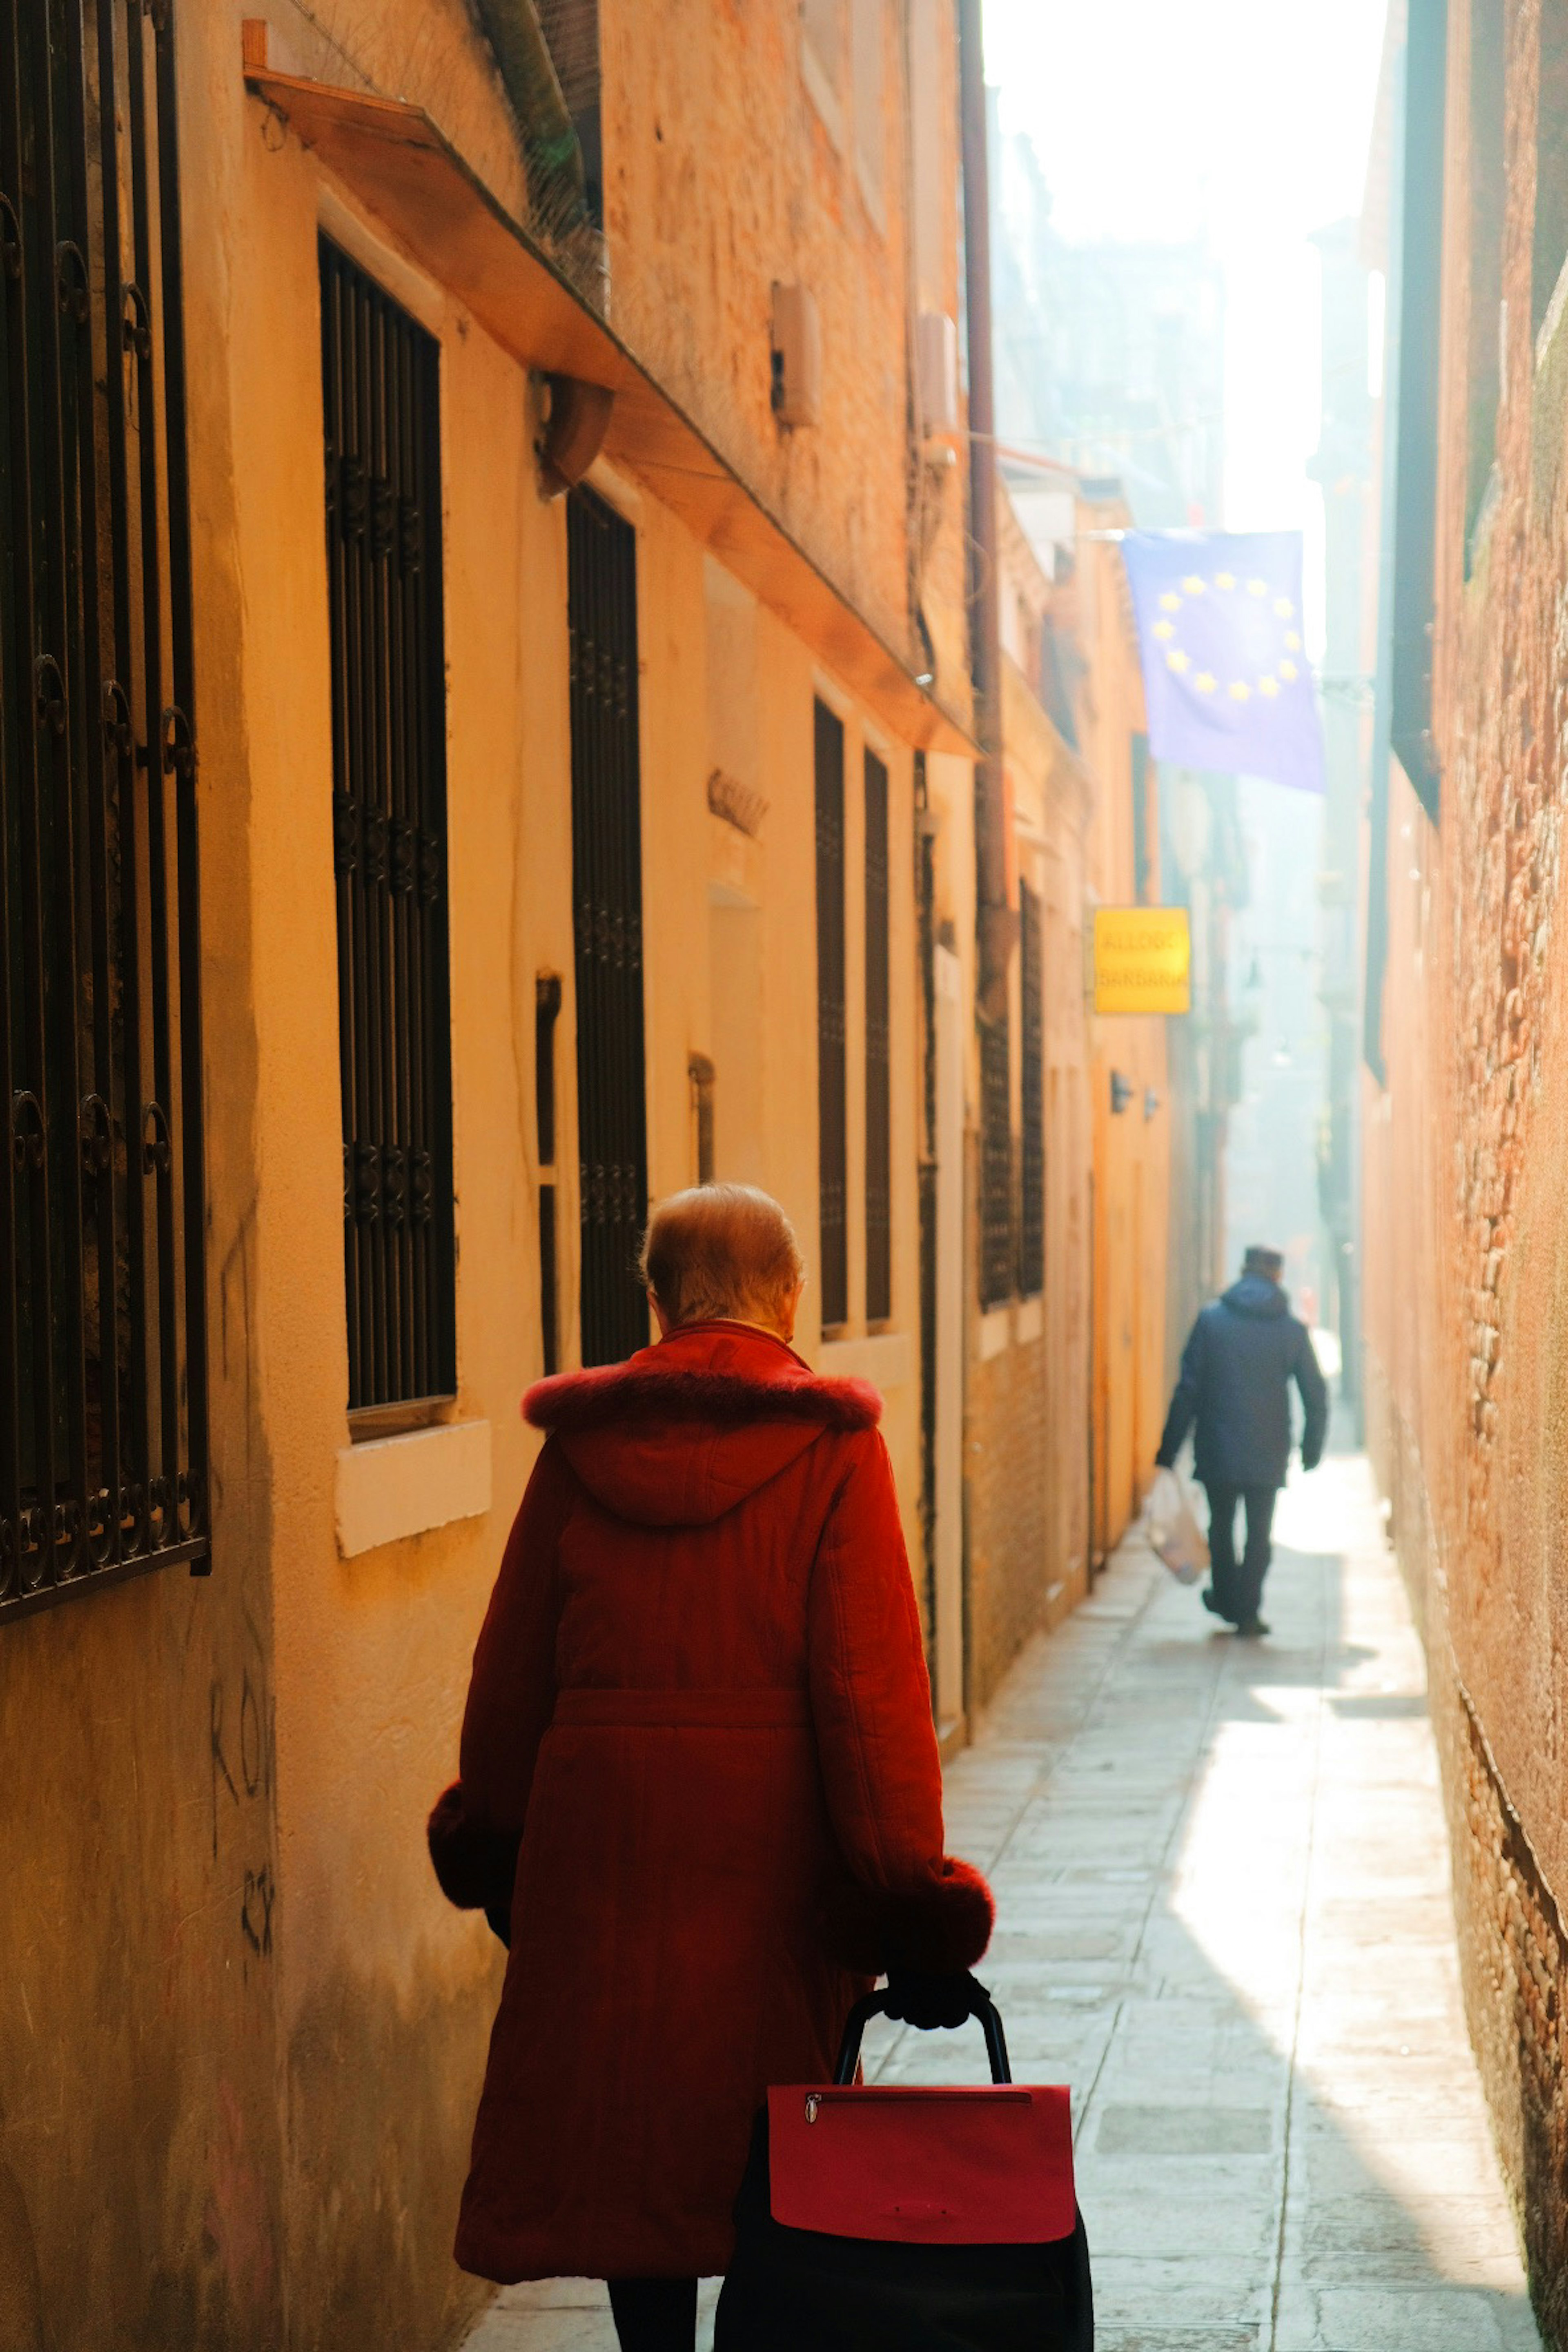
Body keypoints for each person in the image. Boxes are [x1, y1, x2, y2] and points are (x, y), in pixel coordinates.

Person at [427, 1184, 993, 2352]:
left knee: (637, 2150)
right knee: (763, 2139)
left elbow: (511, 1675)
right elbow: (869, 1691)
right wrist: (906, 1889)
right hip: (766, 1864)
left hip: (603, 1855)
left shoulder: (579, 1451)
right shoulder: (832, 1449)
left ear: (657, 1299)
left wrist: (497, 1840)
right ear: (791, 1296)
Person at [1154, 1244, 1328, 1638]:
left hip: (1217, 1445)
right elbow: (1315, 1394)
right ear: (1278, 1277)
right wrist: (1311, 1448)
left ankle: (1227, 1599)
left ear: (1243, 1271)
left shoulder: (1211, 1322)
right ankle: (1247, 1611)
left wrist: (1169, 1449)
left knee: (1221, 1525)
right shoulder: (1291, 1331)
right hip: (1269, 1448)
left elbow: (1188, 1390)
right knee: (1258, 1533)